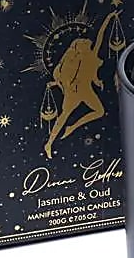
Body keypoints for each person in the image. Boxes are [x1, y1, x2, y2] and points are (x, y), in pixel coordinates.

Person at [43, 10, 119, 159]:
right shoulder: (73, 63)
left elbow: (101, 35)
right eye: (85, 44)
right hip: (75, 92)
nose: (88, 45)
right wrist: (58, 84)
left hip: (85, 90)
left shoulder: (91, 55)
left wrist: (109, 18)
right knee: (63, 116)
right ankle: (49, 143)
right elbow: (62, 77)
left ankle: (72, 127)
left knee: (99, 111)